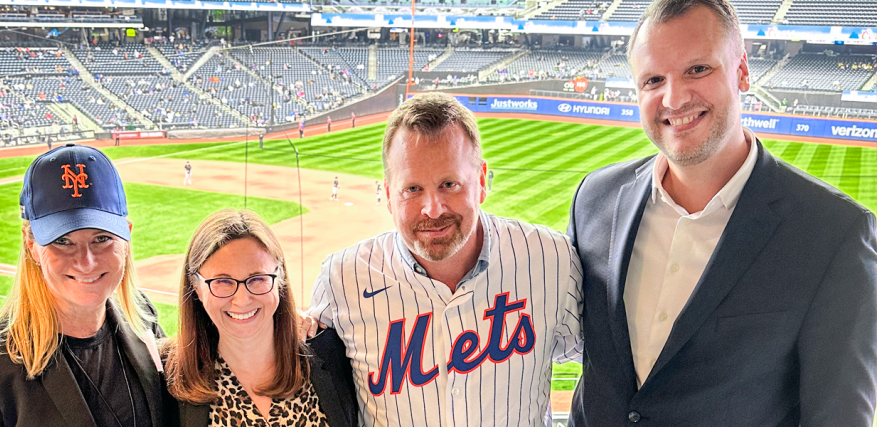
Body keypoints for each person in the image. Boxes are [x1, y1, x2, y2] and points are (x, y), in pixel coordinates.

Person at [566, 0, 877, 425]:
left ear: (742, 72)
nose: (673, 98)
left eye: (698, 69)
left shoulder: (833, 232)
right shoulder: (594, 199)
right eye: (653, 79)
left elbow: (839, 416)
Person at [306, 92, 583, 427]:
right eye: (412, 189)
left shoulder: (550, 259)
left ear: (480, 182)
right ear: (390, 195)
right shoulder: (341, 280)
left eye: (449, 184)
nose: (432, 209)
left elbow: (613, 368)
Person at [0, 144, 168, 426]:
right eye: (62, 241)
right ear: (31, 244)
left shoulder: (142, 318)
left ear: (126, 237)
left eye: (102, 238)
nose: (87, 262)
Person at [161, 209, 358, 427]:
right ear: (196, 287)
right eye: (223, 282)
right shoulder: (166, 376)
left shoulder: (330, 353)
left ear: (279, 277)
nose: (242, 299)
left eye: (258, 279)